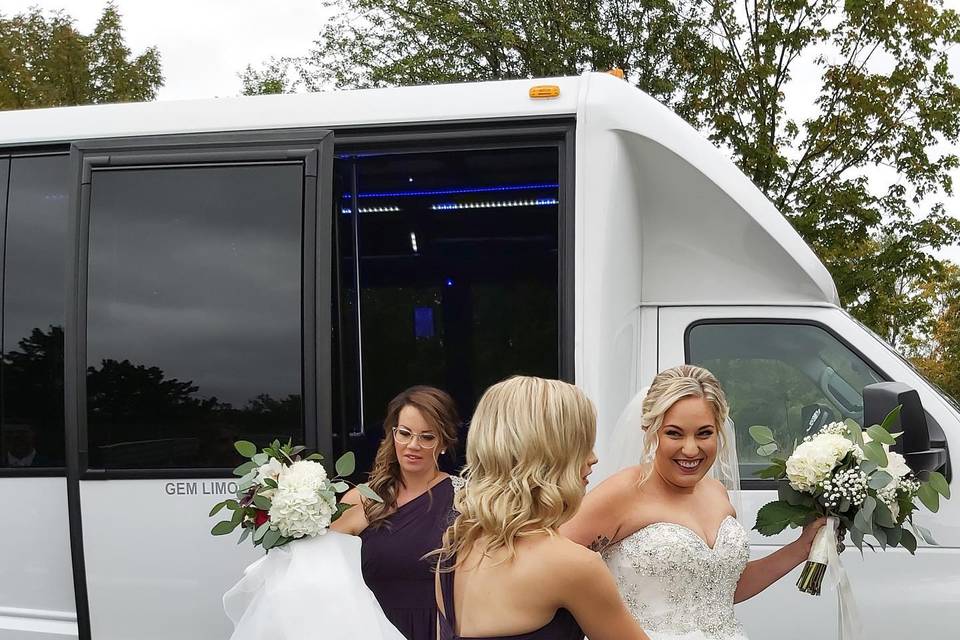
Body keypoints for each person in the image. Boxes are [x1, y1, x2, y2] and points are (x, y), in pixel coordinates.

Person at [560, 365, 826, 640]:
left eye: (704, 433)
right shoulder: (624, 491)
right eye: (674, 433)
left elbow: (721, 589)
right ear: (651, 430)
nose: (690, 449)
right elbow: (549, 564)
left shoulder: (717, 492)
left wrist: (800, 549)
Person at [434, 376, 650, 640]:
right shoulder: (572, 564)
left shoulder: (454, 546)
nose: (594, 458)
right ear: (548, 454)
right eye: (581, 444)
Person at [333, 386, 461, 640]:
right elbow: (324, 570)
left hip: (437, 631)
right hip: (370, 630)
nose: (413, 445)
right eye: (404, 433)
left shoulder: (466, 498)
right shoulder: (361, 499)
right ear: (392, 435)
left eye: (427, 437)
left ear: (444, 443)